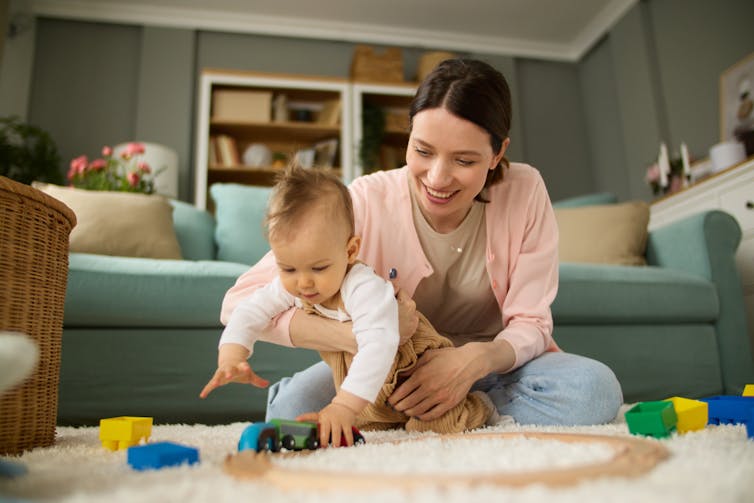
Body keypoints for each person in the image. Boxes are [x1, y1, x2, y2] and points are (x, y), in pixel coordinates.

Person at [221, 58, 623, 428]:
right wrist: (363, 336)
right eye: (423, 151)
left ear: (498, 152)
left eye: (464, 161)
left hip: (491, 364)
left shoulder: (525, 190)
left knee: (594, 392)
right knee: (290, 410)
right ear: (409, 136)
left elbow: (532, 323)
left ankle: (454, 406)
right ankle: (432, 410)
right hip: (385, 361)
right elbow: (238, 302)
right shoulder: (363, 200)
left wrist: (471, 362)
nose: (437, 178)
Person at [201, 165, 495, 447]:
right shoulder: (294, 283)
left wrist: (343, 406)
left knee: (435, 423)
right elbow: (249, 311)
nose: (303, 284)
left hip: (409, 370)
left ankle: (482, 404)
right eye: (288, 269)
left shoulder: (362, 286)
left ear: (350, 251)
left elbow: (378, 345)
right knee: (346, 423)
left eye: (319, 268)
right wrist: (232, 355)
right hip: (366, 379)